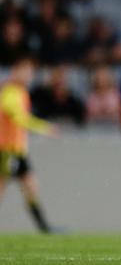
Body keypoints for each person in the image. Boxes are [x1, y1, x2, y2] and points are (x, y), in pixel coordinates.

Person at [0, 57, 58, 233]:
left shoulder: (21, 92)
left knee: (31, 186)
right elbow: (18, 118)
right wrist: (44, 127)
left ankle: (44, 227)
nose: (28, 75)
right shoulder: (10, 92)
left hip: (18, 151)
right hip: (6, 150)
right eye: (25, 71)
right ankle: (44, 227)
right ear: (15, 71)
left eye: (30, 72)